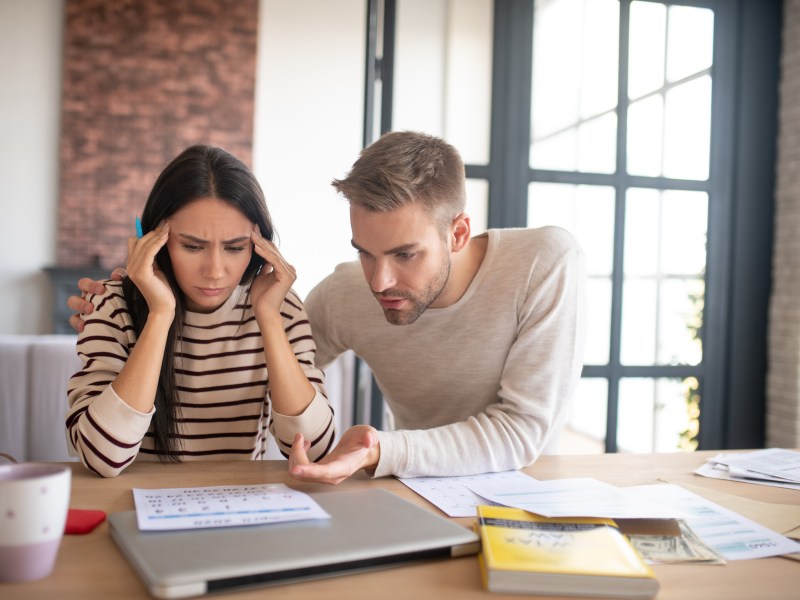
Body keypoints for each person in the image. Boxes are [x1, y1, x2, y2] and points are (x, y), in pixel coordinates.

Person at [68, 131, 586, 485]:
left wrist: (382, 450)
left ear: (457, 233)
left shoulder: (544, 262)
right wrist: (142, 311)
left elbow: (521, 432)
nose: (378, 281)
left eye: (405, 255)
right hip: (416, 484)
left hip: (525, 487)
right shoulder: (345, 292)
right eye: (364, 252)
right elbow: (271, 362)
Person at [65, 145, 335, 477]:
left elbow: (316, 448)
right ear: (155, 240)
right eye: (192, 246)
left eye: (235, 248)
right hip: (133, 509)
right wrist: (160, 314)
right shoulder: (111, 303)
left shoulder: (279, 306)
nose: (215, 271)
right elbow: (102, 458)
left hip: (237, 512)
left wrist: (268, 319)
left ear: (259, 247)